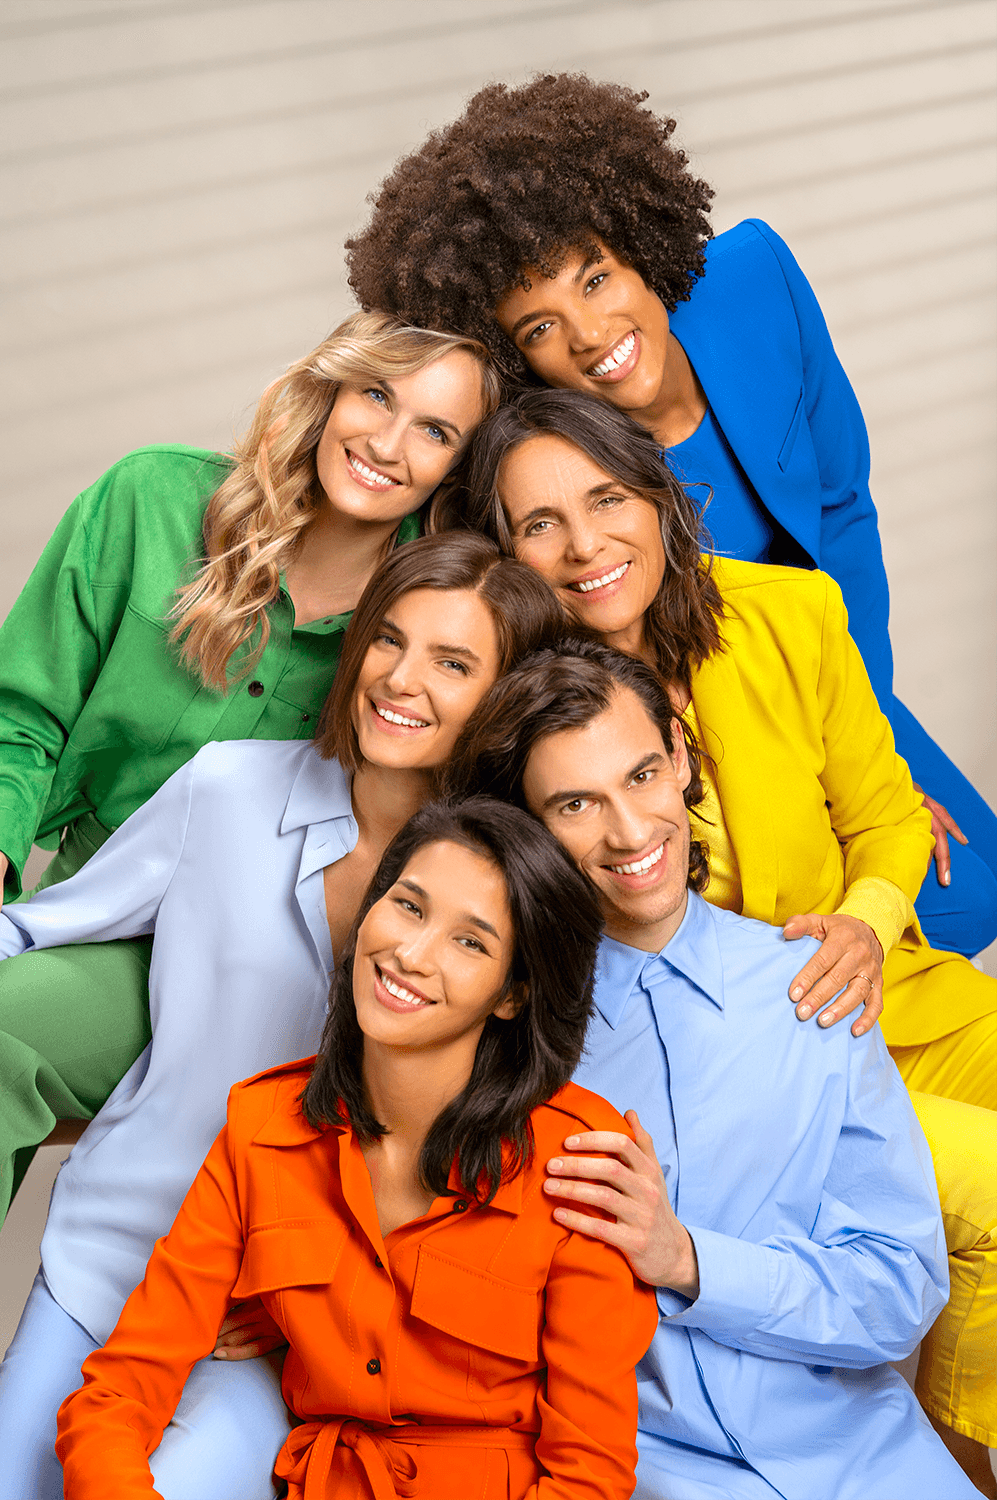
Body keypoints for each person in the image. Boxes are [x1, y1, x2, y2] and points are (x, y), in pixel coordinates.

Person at [442, 389, 997, 1488]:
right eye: (537, 525)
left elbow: (886, 814)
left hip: (880, 993)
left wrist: (866, 924)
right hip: (738, 1060)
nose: (585, 544)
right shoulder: (509, 707)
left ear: (657, 495)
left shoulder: (788, 612)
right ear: (502, 556)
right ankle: (949, 1458)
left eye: (606, 498)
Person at [343, 71, 997, 960]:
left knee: (970, 892)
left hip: (807, 661)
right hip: (683, 703)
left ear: (642, 245)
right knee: (783, 929)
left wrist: (869, 746)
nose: (585, 333)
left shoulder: (758, 278)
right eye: (537, 327)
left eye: (597, 278)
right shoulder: (567, 464)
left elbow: (842, 507)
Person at [0, 533, 567, 1500]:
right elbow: (41, 929)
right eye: (388, 640)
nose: (401, 679)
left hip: (278, 1325)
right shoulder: (224, 788)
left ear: (501, 699)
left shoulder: (497, 899)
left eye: (454, 662)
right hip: (108, 1250)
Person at [0, 311, 500, 1222]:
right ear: (333, 386)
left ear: (457, 470)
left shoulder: (423, 630)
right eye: (376, 395)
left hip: (248, 957)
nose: (386, 444)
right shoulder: (148, 501)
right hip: (84, 900)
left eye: (434, 431)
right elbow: (18, 714)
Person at [54, 796, 657, 1498]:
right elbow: (119, 1392)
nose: (411, 953)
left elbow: (590, 1475)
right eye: (408, 906)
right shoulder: (262, 1125)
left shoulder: (578, 1163)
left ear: (513, 995)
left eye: (471, 942)